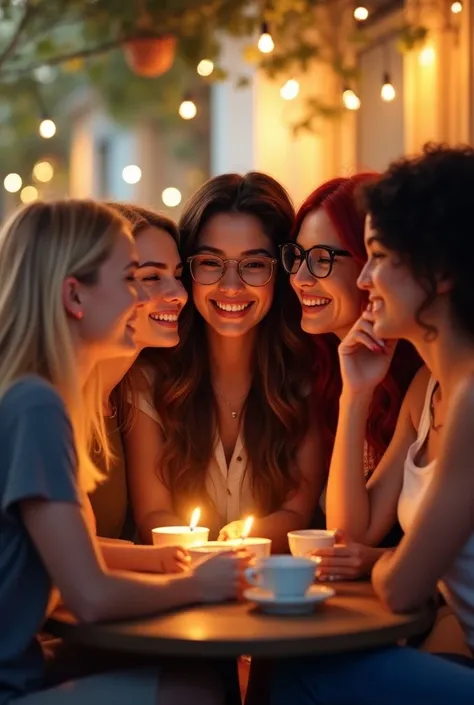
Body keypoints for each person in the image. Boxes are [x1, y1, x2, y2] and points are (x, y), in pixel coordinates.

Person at [0, 199, 244, 705]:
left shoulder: (34, 393)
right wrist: (201, 584)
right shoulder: (36, 405)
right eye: (130, 277)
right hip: (12, 682)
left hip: (23, 661)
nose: (144, 295)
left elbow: (69, 549)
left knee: (194, 667)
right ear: (74, 296)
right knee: (193, 692)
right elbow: (89, 595)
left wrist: (160, 560)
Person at [271, 144, 474, 705]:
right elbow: (350, 536)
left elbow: (404, 586)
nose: (366, 278)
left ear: (441, 273)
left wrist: (392, 567)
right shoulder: (428, 389)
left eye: (379, 256)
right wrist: (356, 394)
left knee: (298, 672)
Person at [124, 172, 325, 550]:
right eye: (211, 263)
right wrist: (208, 558)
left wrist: (241, 545)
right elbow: (152, 516)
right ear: (188, 270)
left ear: (280, 273)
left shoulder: (307, 374)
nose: (230, 287)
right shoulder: (147, 376)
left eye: (253, 265)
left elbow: (297, 514)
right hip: (178, 586)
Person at [280, 175, 421, 577]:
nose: (301, 279)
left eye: (322, 259)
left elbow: (350, 541)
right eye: (298, 257)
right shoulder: (319, 371)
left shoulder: (428, 380)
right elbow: (346, 535)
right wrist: (355, 395)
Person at [87, 204, 190, 573]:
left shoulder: (128, 394)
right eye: (150, 277)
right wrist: (175, 560)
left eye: (178, 276)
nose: (178, 293)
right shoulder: (49, 399)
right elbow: (52, 548)